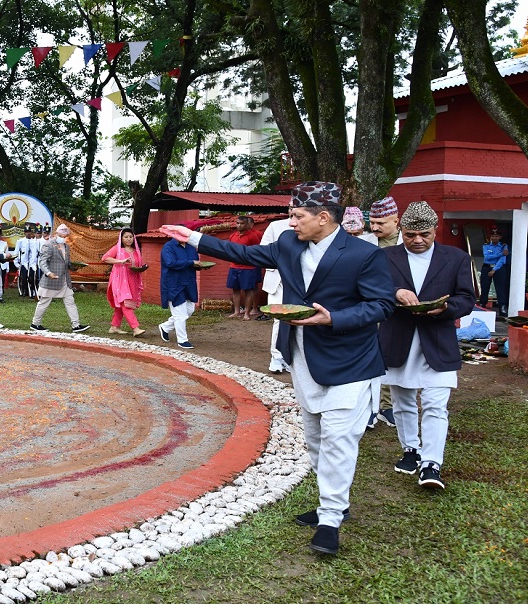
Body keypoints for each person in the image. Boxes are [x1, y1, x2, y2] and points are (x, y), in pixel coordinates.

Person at [160, 181, 396, 556]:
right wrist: (193, 239)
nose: (290, 222)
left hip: (351, 359)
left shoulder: (363, 255)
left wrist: (332, 318)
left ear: (323, 217)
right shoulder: (289, 244)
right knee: (316, 437)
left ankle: (331, 519)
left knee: (338, 439)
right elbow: (245, 253)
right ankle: (330, 503)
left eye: (297, 216)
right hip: (303, 355)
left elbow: (382, 306)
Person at [379, 201, 476, 490]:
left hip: (438, 340)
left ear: (436, 230)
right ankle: (411, 449)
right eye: (410, 235)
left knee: (436, 404)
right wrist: (395, 292)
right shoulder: (384, 257)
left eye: (424, 235)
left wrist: (445, 308)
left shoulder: (456, 258)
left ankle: (431, 463)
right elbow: (370, 289)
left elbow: (467, 298)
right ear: (400, 229)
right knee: (403, 400)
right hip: (398, 338)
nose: (417, 241)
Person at [367, 196, 403, 429]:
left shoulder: (409, 243)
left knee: (392, 357)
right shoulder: (364, 243)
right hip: (369, 308)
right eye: (372, 222)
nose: (375, 227)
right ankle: (368, 408)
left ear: (396, 221)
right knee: (369, 357)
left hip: (399, 310)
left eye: (381, 222)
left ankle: (388, 405)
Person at [30, 224, 90, 333]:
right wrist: (49, 273)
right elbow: (42, 262)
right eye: (62, 235)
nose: (64, 237)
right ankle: (35, 324)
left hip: (64, 280)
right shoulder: (48, 245)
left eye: (66, 235)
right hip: (51, 280)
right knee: (44, 302)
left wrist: (74, 267)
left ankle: (76, 325)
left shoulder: (66, 246)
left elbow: (66, 263)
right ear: (56, 233)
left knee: (70, 301)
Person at [158, 227, 204, 348]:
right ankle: (182, 340)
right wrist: (191, 263)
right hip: (174, 284)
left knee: (190, 310)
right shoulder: (168, 247)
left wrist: (199, 266)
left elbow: (195, 262)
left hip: (188, 283)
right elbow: (170, 263)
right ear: (174, 234)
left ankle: (165, 326)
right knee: (180, 314)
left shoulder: (190, 247)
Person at [260, 213, 293, 371]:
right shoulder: (276, 226)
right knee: (279, 319)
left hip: (300, 282)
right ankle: (276, 357)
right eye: (292, 207)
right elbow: (263, 250)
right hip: (277, 280)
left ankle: (289, 358)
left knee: (298, 320)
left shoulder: (311, 225)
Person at [102, 226, 144, 336]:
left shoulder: (136, 251)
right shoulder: (117, 249)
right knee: (126, 304)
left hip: (132, 279)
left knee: (121, 304)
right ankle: (136, 328)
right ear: (122, 238)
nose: (129, 239)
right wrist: (120, 261)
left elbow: (138, 264)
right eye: (126, 237)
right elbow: (105, 258)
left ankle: (114, 327)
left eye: (131, 237)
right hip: (119, 280)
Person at [226, 215, 263, 320]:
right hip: (234, 266)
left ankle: (247, 313)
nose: (239, 225)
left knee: (248, 290)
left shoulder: (252, 236)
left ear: (247, 224)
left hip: (248, 267)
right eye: (237, 223)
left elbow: (257, 251)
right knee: (235, 290)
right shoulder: (232, 236)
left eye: (242, 223)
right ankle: (236, 312)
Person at [478, 227, 509, 315]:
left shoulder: (503, 246)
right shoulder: (486, 245)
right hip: (487, 267)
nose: (494, 238)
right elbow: (487, 257)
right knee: (485, 287)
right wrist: (500, 253)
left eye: (496, 236)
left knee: (500, 288)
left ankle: (502, 307)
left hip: (499, 268)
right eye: (493, 236)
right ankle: (482, 304)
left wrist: (494, 270)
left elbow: (502, 260)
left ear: (500, 237)